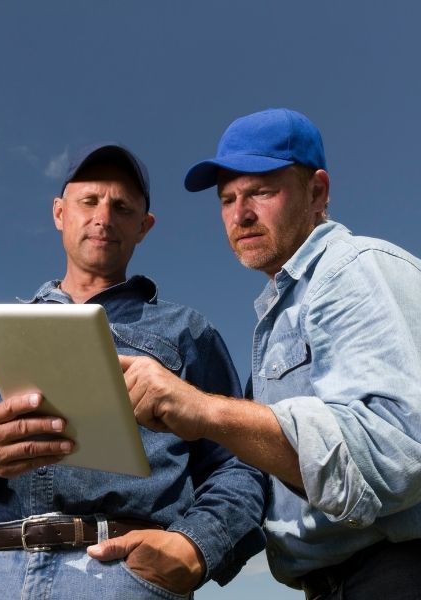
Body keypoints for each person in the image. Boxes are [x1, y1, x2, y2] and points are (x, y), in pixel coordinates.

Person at [0, 143, 266, 599]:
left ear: (144, 226)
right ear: (60, 213)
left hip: (121, 574)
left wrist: (195, 545)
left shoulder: (187, 331)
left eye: (122, 207)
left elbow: (240, 463)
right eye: (89, 201)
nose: (103, 217)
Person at [113, 108, 421, 599]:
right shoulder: (279, 314)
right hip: (334, 582)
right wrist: (193, 541)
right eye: (228, 199)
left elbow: (398, 449)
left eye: (261, 191)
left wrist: (204, 409)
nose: (241, 214)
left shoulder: (353, 270)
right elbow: (258, 470)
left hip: (396, 570)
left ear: (317, 192)